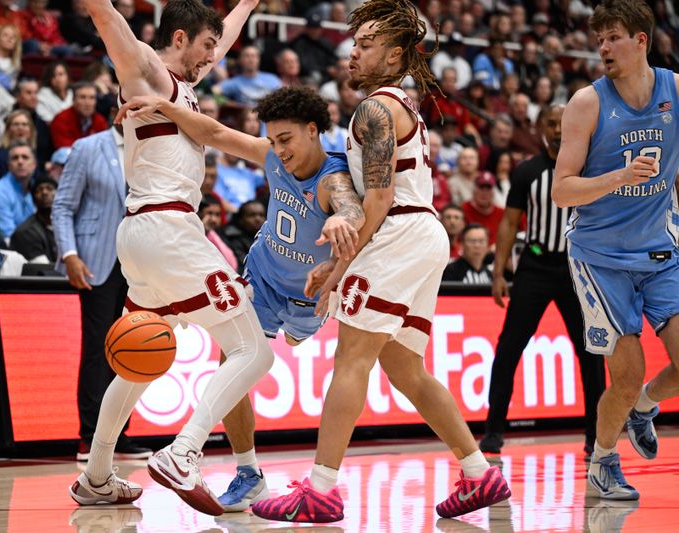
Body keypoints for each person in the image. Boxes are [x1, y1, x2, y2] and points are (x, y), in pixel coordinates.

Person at [251, 0, 511, 522]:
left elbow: (378, 200)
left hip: (398, 232)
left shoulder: (373, 110)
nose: (354, 52)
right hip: (424, 232)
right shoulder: (399, 105)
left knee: (351, 359)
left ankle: (321, 489)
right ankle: (480, 471)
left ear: (394, 57)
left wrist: (340, 265)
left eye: (367, 44)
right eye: (356, 42)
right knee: (405, 368)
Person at [116, 84, 362, 512]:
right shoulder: (272, 157)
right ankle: (248, 473)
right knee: (234, 357)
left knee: (297, 342)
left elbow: (351, 207)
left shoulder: (333, 178)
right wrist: (164, 106)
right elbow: (214, 133)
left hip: (309, 295)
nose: (278, 150)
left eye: (286, 139)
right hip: (264, 278)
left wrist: (344, 217)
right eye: (272, 140)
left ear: (312, 130)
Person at [70, 0, 274, 514]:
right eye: (205, 47)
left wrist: (247, 3)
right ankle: (184, 452)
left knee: (140, 362)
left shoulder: (184, 87)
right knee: (254, 350)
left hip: (143, 235)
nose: (214, 56)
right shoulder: (144, 67)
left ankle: (95, 476)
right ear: (179, 39)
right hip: (168, 230)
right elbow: (103, 15)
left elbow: (221, 36)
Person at [552, 0, 679, 501]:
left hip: (659, 250)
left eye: (613, 37)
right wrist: (620, 177)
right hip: (600, 258)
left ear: (641, 40)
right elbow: (562, 189)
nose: (602, 47)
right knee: (625, 376)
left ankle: (645, 407)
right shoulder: (587, 102)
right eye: (599, 38)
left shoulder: (674, 91)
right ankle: (603, 460)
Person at [481, 104, 606, 457]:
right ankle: (493, 432)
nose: (556, 128)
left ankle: (595, 436)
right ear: (539, 128)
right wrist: (498, 272)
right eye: (549, 123)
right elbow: (508, 223)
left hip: (576, 269)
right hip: (534, 267)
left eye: (560, 122)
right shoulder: (528, 171)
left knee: (590, 353)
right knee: (508, 348)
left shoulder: (589, 168)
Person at [51, 116, 150, 462]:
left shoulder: (151, 147)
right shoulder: (87, 147)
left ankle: (119, 433)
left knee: (131, 348)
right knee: (97, 347)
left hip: (138, 261)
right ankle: (90, 436)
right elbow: (63, 206)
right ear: (120, 110)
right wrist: (69, 254)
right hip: (97, 259)